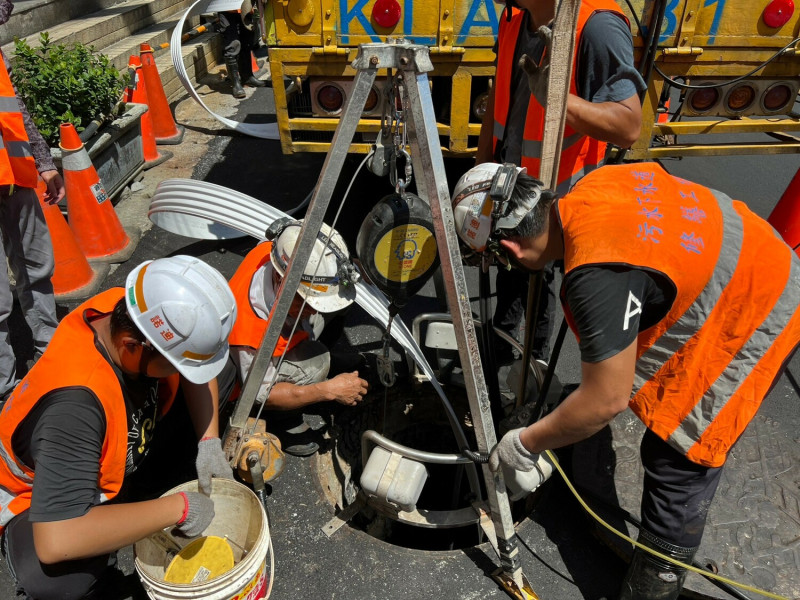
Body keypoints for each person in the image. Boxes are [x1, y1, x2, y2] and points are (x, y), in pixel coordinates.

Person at [451, 161, 800, 600]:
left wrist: (526, 444)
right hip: (754, 252)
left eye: (499, 258)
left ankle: (653, 587)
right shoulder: (593, 186)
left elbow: (606, 400)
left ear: (510, 248)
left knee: (677, 455)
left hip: (760, 304)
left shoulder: (595, 277)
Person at [0, 256, 238, 600]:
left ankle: (140, 495)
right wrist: (179, 509)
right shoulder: (74, 409)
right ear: (131, 347)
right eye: (173, 363)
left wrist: (209, 441)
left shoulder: (134, 312)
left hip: (117, 445)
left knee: (225, 373)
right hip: (39, 495)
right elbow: (57, 540)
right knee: (57, 582)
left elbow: (195, 371)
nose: (183, 373)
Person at [477, 0, 645, 367]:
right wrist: (482, 168)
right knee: (509, 267)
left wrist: (558, 101)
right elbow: (498, 99)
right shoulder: (515, 21)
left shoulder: (596, 28)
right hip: (510, 182)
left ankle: (532, 366)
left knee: (541, 284)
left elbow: (629, 126)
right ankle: (500, 345)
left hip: (558, 194)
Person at [228, 218, 369, 457]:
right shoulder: (249, 332)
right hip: (253, 380)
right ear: (283, 283)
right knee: (318, 363)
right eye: (306, 303)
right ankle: (282, 419)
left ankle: (315, 353)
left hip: (287, 327)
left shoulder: (279, 255)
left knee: (340, 300)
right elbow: (263, 393)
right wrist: (328, 390)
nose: (314, 310)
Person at [0, 0, 66, 401]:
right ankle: (4, 391)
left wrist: (42, 162)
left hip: (15, 177)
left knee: (37, 267)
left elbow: (14, 108)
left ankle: (50, 350)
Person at [216, 0, 267, 98]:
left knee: (246, 42)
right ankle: (236, 84)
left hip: (244, 8)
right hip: (226, 10)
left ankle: (247, 77)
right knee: (232, 45)